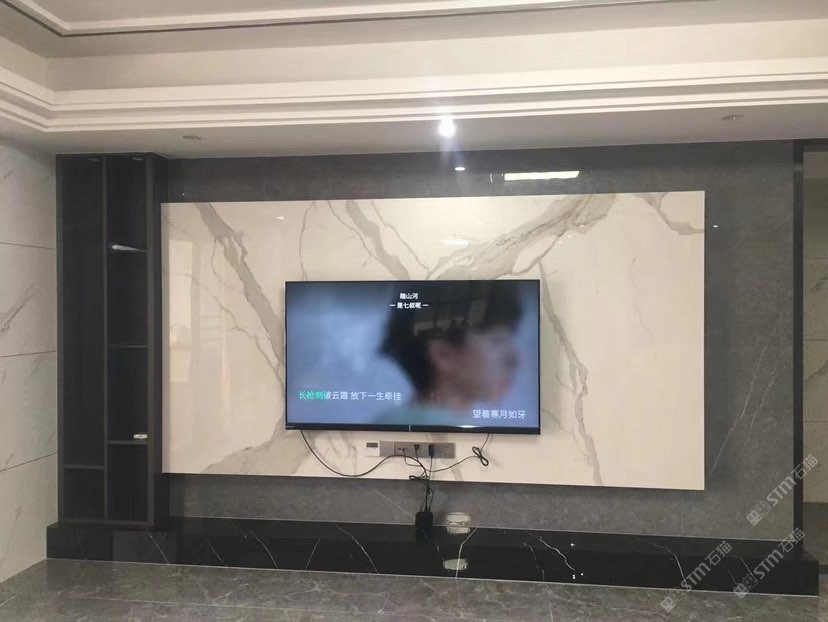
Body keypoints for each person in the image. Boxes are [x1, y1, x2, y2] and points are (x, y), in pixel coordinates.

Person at [376, 280, 523, 427]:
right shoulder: (452, 430)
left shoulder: (386, 421)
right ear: (443, 354)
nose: (515, 360)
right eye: (498, 340)